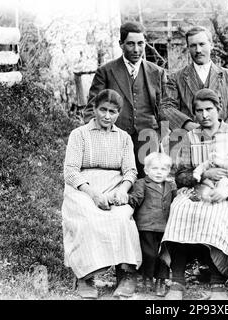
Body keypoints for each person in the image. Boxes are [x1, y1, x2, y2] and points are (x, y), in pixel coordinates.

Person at [160, 88, 228, 300]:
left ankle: (217, 282)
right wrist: (202, 176)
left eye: (209, 109)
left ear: (218, 109)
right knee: (179, 209)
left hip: (227, 191)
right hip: (197, 188)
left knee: (216, 215)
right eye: (199, 110)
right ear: (193, 113)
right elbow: (181, 175)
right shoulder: (189, 137)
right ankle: (177, 281)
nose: (204, 115)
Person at [62, 89, 142, 299]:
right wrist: (93, 194)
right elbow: (70, 172)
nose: (107, 116)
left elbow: (130, 171)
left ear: (119, 113)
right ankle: (86, 277)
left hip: (114, 187)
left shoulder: (124, 138)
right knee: (88, 218)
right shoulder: (79, 134)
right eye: (103, 110)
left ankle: (126, 274)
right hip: (83, 190)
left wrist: (123, 189)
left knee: (122, 217)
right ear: (94, 110)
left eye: (113, 112)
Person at [83, 21, 167, 178]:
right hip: (115, 139)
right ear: (121, 44)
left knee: (149, 185)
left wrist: (161, 135)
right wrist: (98, 135)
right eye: (130, 44)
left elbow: (165, 109)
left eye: (140, 43)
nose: (136, 49)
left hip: (148, 140)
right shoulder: (106, 72)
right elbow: (91, 109)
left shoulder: (157, 72)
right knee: (118, 185)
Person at [160, 25, 228, 133]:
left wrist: (224, 130)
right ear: (188, 48)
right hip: (189, 140)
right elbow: (167, 108)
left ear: (211, 45)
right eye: (193, 46)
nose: (198, 50)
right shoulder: (175, 78)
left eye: (202, 44)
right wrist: (190, 126)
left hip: (221, 142)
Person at [127, 152, 177, 297]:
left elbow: (176, 201)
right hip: (146, 225)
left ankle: (161, 281)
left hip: (165, 226)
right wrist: (128, 199)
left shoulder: (170, 186)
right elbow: (136, 197)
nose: (159, 172)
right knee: (149, 253)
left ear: (168, 171)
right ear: (146, 170)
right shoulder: (142, 183)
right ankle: (147, 277)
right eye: (154, 169)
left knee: (163, 255)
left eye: (163, 169)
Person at [192, 133, 228, 202]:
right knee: (204, 186)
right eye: (211, 151)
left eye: (215, 151)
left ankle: (216, 197)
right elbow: (201, 167)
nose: (212, 154)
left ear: (227, 155)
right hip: (209, 181)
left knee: (224, 183)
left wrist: (222, 163)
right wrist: (197, 174)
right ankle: (202, 197)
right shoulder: (209, 161)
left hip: (223, 180)